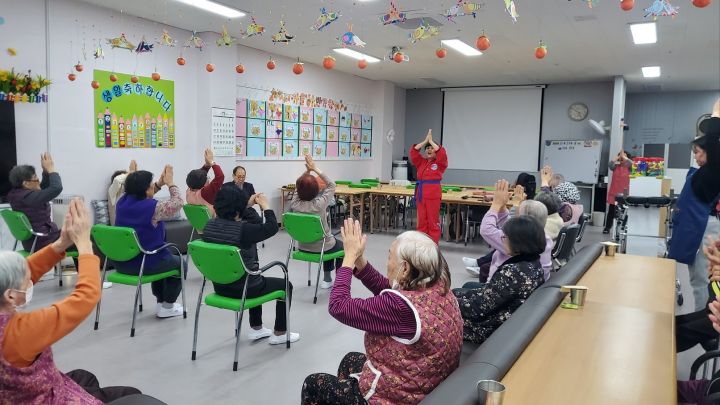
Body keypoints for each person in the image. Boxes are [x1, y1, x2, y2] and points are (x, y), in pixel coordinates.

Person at [301, 219, 462, 405]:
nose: (387, 263)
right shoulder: (437, 287)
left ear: (405, 268)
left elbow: (339, 306)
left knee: (313, 383)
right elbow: (389, 290)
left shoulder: (400, 308)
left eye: (389, 257)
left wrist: (348, 259)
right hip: (423, 382)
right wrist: (360, 261)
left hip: (399, 398)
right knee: (349, 360)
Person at [0, 199, 141, 403]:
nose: (30, 281)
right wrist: (84, 245)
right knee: (131, 394)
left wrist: (61, 244)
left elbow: (24, 270)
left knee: (85, 377)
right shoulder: (19, 333)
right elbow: (85, 297)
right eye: (26, 282)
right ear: (10, 295)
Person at [202, 185, 299, 344]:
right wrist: (266, 206)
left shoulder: (208, 227)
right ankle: (280, 333)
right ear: (238, 210)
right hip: (245, 289)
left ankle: (257, 328)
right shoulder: (243, 230)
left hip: (220, 287)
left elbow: (237, 220)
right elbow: (271, 227)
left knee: (253, 272)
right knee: (285, 285)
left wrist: (245, 204)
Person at [453, 215, 547, 344]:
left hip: (489, 328)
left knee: (437, 315)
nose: (502, 240)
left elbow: (478, 309)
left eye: (505, 237)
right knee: (454, 293)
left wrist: (449, 302)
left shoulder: (513, 273)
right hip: (504, 319)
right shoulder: (534, 264)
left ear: (518, 242)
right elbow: (491, 295)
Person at [114, 165, 184, 318]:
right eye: (151, 185)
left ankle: (160, 302)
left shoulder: (121, 202)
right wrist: (170, 183)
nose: (153, 186)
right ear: (146, 190)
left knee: (164, 256)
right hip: (144, 263)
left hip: (122, 263)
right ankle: (167, 306)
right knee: (180, 263)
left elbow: (143, 197)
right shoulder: (154, 208)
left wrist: (159, 184)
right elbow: (178, 203)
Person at [669, 100, 720, 311]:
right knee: (696, 278)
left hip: (705, 231)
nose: (695, 155)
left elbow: (715, 142)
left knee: (702, 280)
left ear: (711, 152)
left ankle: (706, 323)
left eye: (698, 151)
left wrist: (716, 115)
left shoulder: (712, 173)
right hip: (695, 229)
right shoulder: (701, 173)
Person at [464, 180, 554, 282]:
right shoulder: (543, 238)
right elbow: (509, 227)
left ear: (525, 221)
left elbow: (486, 230)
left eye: (517, 212)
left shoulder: (518, 241)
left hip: (502, 286)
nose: (515, 212)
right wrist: (502, 207)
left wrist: (496, 205)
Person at [289, 155, 340, 289]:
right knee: (339, 246)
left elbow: (298, 186)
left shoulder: (295, 204)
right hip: (322, 247)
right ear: (316, 190)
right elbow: (332, 184)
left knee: (330, 241)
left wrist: (307, 171)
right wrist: (315, 168)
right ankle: (332, 281)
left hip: (302, 246)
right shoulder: (319, 204)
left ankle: (328, 279)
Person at [6, 153, 64, 251]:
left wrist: (45, 172)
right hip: (44, 241)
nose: (38, 180)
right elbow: (56, 188)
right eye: (35, 177)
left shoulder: (17, 194)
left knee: (78, 235)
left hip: (34, 241)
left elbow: (42, 190)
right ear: (26, 183)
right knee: (84, 239)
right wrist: (51, 169)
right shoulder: (27, 197)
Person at [409, 129, 448, 243]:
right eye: (427, 148)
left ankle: (433, 245)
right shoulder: (421, 162)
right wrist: (426, 141)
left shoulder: (439, 163)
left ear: (436, 151)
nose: (429, 149)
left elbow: (442, 154)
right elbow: (413, 152)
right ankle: (422, 243)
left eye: (431, 148)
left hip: (433, 195)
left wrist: (431, 141)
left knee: (432, 221)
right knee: (422, 221)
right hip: (421, 195)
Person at [185, 148, 224, 217]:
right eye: (207, 178)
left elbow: (197, 176)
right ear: (203, 184)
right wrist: (212, 162)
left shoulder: (189, 191)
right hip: (213, 222)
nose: (208, 179)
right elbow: (220, 176)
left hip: (198, 223)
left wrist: (207, 165)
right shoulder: (205, 193)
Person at [604, 150, 633, 234]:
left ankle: (623, 228)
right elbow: (610, 164)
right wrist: (617, 157)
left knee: (624, 211)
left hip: (625, 192)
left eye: (624, 156)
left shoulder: (630, 167)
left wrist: (624, 157)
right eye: (620, 156)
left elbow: (632, 164)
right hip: (614, 191)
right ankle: (607, 227)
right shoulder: (615, 166)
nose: (622, 158)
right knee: (611, 211)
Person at [107, 160, 137, 226]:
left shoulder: (129, 193)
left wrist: (135, 175)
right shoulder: (112, 192)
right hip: (119, 228)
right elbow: (117, 180)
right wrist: (131, 172)